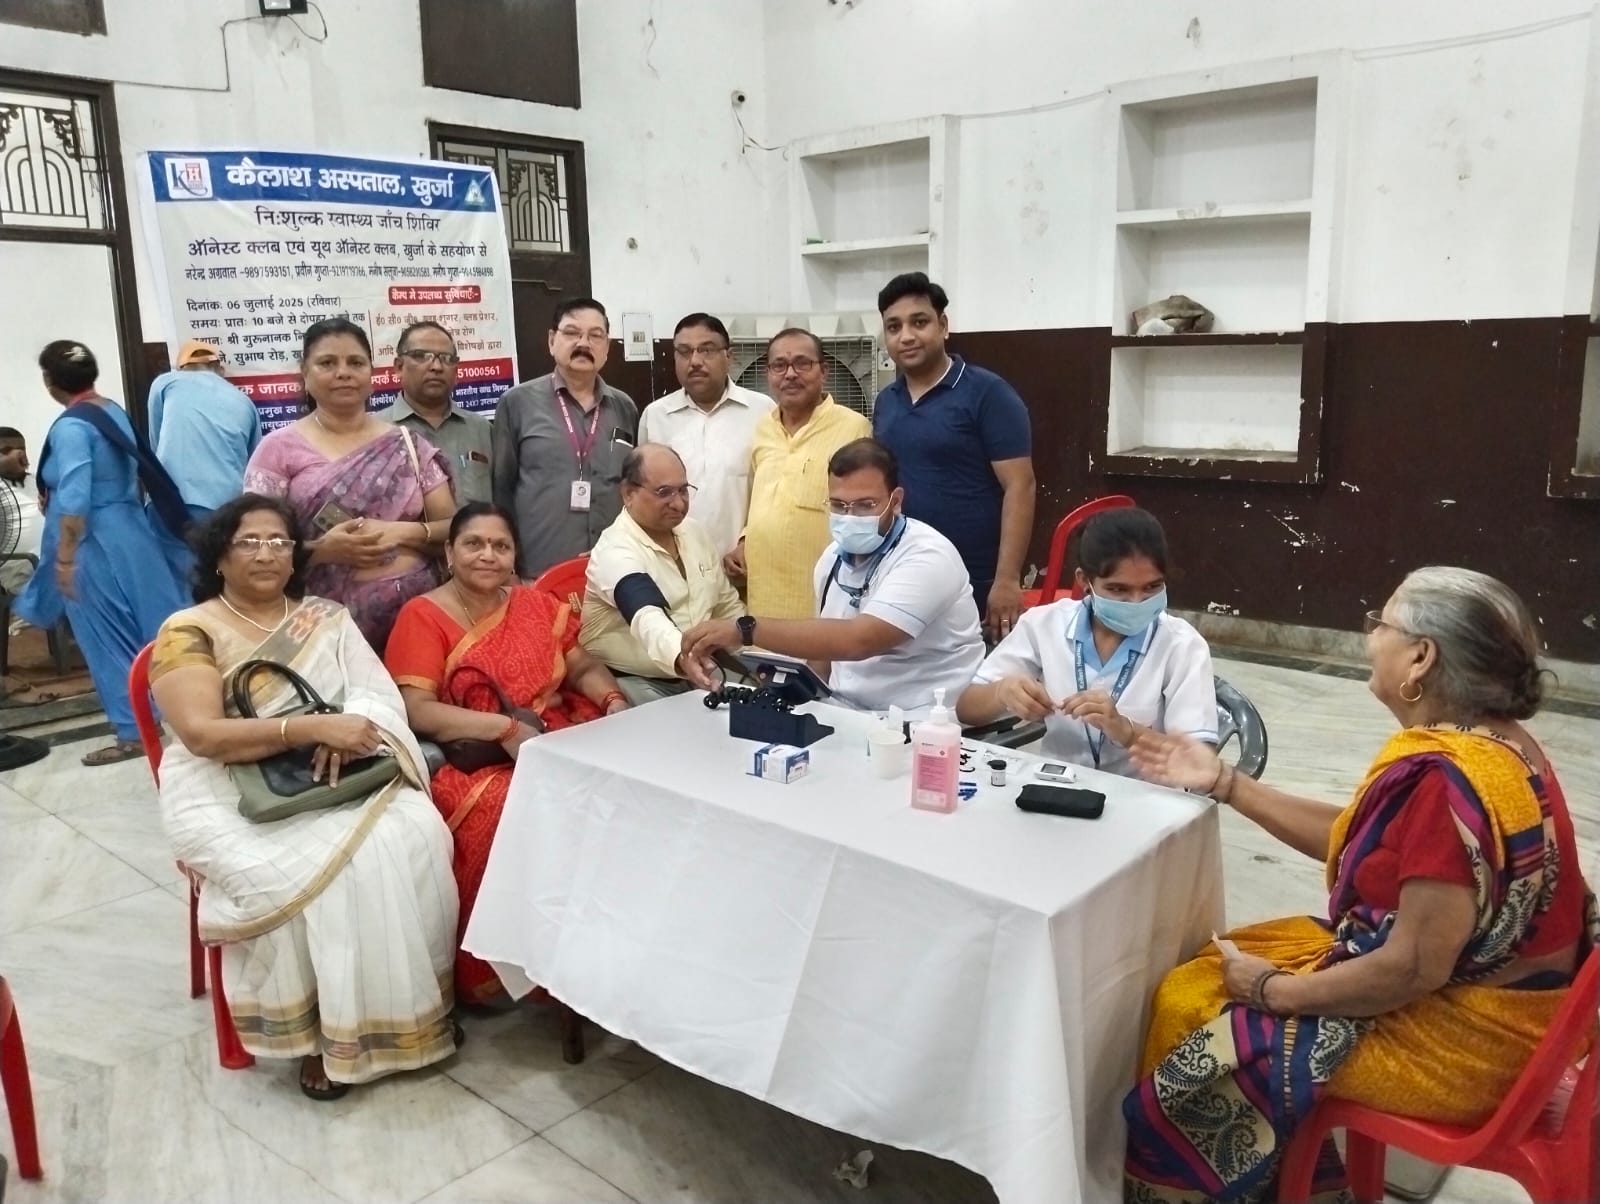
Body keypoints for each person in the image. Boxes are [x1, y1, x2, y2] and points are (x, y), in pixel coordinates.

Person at [1122, 566, 1598, 1203]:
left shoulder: (1444, 781)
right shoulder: (1497, 745)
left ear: (1421, 658)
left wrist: (1274, 991)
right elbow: (1365, 846)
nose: (1370, 635)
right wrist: (1227, 783)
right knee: (1224, 955)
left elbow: (1411, 970)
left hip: (1471, 1045)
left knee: (1187, 1002)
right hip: (1519, 1013)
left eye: (1382, 623)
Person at [149, 495, 460, 1101]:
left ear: (295, 555)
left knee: (416, 833)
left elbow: (376, 695)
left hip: (340, 769)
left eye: (278, 541)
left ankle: (413, 1012)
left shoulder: (325, 617)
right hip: (230, 786)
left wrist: (352, 729)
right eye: (249, 541)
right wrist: (308, 729)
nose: (266, 553)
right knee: (322, 874)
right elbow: (202, 735)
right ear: (219, 556)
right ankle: (323, 1035)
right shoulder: (188, 630)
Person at [385, 502, 629, 1003]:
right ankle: (496, 967)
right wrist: (504, 729)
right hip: (474, 756)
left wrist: (613, 701)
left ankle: (590, 947)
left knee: (617, 791)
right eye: (474, 544)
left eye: (501, 546)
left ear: (515, 555)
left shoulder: (535, 605)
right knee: (507, 810)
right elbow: (416, 709)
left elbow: (581, 665)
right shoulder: (422, 615)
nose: (488, 555)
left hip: (553, 735)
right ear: (449, 552)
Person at [682, 439, 982, 716]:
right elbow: (823, 655)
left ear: (896, 500)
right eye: (838, 505)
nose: (850, 517)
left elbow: (860, 641)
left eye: (866, 505)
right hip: (846, 712)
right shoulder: (832, 558)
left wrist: (745, 630)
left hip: (923, 718)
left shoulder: (928, 556)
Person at [16, 341, 189, 765]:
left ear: (50, 381)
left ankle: (134, 734)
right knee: (155, 628)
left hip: (94, 543)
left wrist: (64, 559)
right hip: (133, 533)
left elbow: (75, 499)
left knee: (106, 639)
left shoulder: (71, 428)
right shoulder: (111, 410)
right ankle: (185, 714)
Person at [243, 318, 456, 653]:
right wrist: (322, 550)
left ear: (371, 374)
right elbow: (254, 545)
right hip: (321, 629)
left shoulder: (408, 444)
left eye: (355, 363)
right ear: (305, 373)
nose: (343, 373)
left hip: (416, 622)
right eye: (327, 363)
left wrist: (400, 532)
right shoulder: (278, 449)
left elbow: (454, 528)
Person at [956, 507, 1216, 774]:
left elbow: (1199, 764)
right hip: (1057, 784)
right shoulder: (1044, 625)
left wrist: (1127, 731)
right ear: (1084, 580)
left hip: (1143, 791)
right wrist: (1002, 692)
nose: (1137, 601)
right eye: (1118, 589)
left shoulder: (1182, 645)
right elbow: (967, 708)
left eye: (1152, 587)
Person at [871, 273, 1035, 639]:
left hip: (974, 576)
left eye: (919, 322)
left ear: (943, 326)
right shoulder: (886, 401)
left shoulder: (987, 393)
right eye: (894, 327)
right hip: (903, 570)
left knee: (972, 669)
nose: (906, 336)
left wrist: (1007, 579)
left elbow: (1020, 486)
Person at [582, 444, 745, 703]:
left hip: (700, 670)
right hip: (631, 681)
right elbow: (645, 613)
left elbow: (727, 607)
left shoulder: (694, 533)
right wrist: (682, 656)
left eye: (683, 490)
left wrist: (761, 656)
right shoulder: (615, 550)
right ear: (628, 494)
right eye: (664, 493)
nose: (679, 503)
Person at [491, 298, 638, 576]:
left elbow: (632, 487)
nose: (583, 343)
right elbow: (501, 490)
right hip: (538, 568)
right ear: (551, 340)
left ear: (607, 347)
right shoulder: (517, 403)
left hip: (612, 569)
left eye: (595, 335)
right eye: (572, 333)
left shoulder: (624, 407)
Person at [732, 328, 872, 618]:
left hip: (823, 599)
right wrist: (745, 540)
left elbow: (865, 514)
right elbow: (761, 498)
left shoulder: (853, 428)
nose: (790, 374)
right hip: (763, 595)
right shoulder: (763, 428)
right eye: (779, 365)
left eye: (802, 363)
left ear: (824, 372)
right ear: (769, 374)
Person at [637, 313, 774, 558]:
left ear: (729, 357)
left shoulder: (763, 411)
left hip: (745, 562)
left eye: (707, 350)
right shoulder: (655, 416)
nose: (695, 361)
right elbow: (643, 494)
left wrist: (748, 544)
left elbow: (774, 492)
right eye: (684, 352)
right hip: (674, 564)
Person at [147, 339, 263, 523]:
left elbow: (155, 442)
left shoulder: (166, 382)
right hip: (226, 505)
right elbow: (254, 462)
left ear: (181, 369)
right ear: (221, 370)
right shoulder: (245, 401)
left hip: (170, 499)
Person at [378, 321, 493, 506]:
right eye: (421, 356)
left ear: (456, 370)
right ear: (399, 367)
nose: (437, 367)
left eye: (446, 358)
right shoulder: (376, 431)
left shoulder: (481, 430)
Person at [0, 427, 42, 596]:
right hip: (19, 567)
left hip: (56, 561)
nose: (18, 453)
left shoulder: (39, 481)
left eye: (21, 448)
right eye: (6, 450)